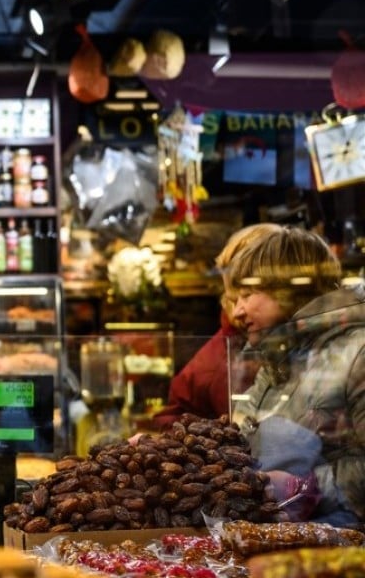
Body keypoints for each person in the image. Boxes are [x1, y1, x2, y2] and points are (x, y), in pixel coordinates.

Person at [228, 226, 364, 525]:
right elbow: (237, 443)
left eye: (248, 294)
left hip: (345, 556)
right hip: (281, 546)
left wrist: (308, 488)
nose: (236, 311)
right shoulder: (275, 365)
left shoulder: (358, 352)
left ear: (289, 289)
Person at [152, 223, 282, 429]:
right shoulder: (223, 356)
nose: (240, 308)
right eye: (240, 294)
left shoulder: (269, 340)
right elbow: (172, 418)